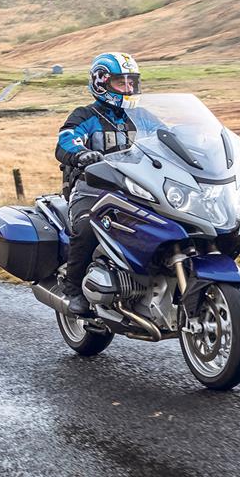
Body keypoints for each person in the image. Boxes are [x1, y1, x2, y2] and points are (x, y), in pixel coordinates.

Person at [55, 52, 146, 315]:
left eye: (132, 83)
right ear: (101, 83)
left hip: (135, 188)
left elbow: (167, 135)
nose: (128, 89)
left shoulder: (141, 116)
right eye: (121, 83)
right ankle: (74, 290)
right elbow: (66, 139)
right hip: (91, 188)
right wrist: (81, 153)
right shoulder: (85, 115)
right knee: (86, 226)